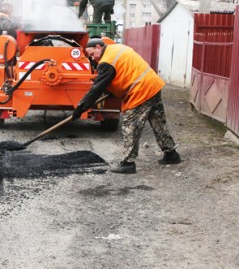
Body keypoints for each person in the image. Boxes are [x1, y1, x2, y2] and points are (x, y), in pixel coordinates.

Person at [73, 38, 182, 174]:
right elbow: (120, 74)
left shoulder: (106, 61)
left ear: (98, 47)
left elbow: (97, 88)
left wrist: (81, 107)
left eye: (91, 54)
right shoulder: (117, 49)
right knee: (158, 122)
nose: (92, 58)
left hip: (141, 90)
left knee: (130, 126)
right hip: (152, 84)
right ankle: (171, 154)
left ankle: (128, 163)